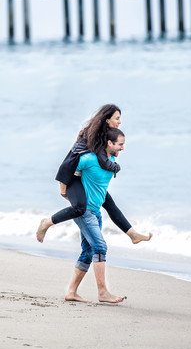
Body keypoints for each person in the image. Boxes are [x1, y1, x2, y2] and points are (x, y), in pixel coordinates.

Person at [36, 104, 151, 245]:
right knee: (80, 208)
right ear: (107, 119)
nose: (120, 121)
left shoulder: (105, 133)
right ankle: (47, 222)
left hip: (83, 174)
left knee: (109, 203)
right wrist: (63, 188)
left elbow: (105, 158)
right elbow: (101, 162)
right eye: (117, 118)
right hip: (73, 176)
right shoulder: (96, 135)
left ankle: (132, 234)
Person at [65, 128, 131, 303]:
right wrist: (66, 192)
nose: (123, 148)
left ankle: (71, 292)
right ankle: (103, 292)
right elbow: (67, 170)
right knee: (100, 247)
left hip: (96, 212)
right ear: (109, 143)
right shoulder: (89, 159)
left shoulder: (111, 160)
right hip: (84, 211)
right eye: (120, 144)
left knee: (87, 251)